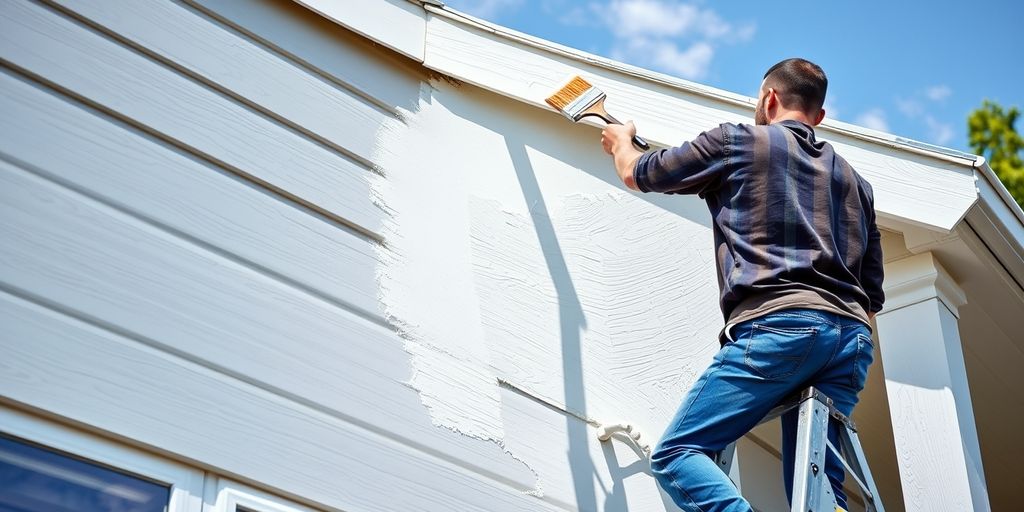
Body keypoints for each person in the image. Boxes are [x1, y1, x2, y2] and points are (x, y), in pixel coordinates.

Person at [600, 58, 884, 512]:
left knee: (678, 454)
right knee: (818, 491)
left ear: (769, 98)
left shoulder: (736, 141)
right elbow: (872, 291)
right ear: (820, 116)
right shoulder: (858, 185)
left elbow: (643, 172)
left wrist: (620, 143)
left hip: (779, 324)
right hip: (852, 339)